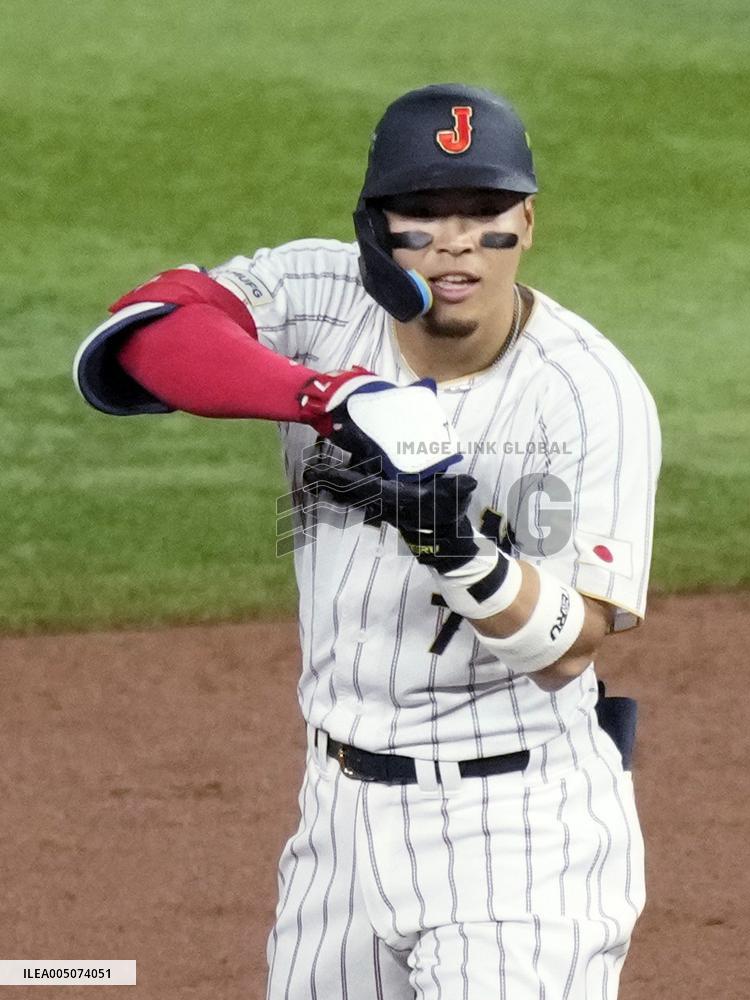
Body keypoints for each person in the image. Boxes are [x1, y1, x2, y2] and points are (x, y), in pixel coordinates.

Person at [74, 83, 661, 999]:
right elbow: (142, 337)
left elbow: (569, 647)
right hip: (337, 821)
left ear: (527, 223)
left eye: (484, 213)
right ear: (372, 230)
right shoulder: (319, 295)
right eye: (422, 213)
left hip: (514, 827)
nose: (456, 240)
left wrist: (451, 547)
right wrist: (331, 398)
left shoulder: (585, 395)